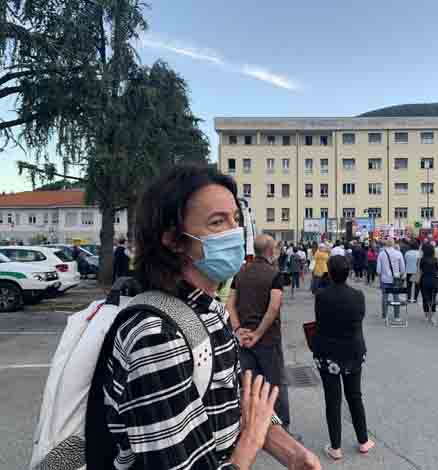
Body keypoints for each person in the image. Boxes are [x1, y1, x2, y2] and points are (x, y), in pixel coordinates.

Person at [104, 165, 319, 470]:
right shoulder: (158, 337)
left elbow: (236, 402)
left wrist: (293, 454)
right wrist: (250, 442)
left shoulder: (210, 309)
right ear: (174, 239)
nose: (235, 232)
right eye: (218, 222)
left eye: (236, 219)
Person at [228, 235, 293, 430]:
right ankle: (281, 430)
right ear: (270, 251)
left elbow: (229, 304)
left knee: (251, 386)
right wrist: (258, 334)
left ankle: (256, 428)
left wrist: (238, 330)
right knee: (276, 385)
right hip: (267, 340)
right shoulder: (274, 274)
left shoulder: (240, 273)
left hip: (244, 340)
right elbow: (273, 307)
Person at [313, 255, 375, 460]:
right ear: (348, 273)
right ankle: (363, 440)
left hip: (328, 353)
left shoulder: (321, 296)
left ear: (329, 273)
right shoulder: (358, 295)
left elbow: (320, 321)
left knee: (333, 399)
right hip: (353, 351)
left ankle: (335, 447)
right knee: (355, 396)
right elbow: (359, 319)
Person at [376, 239, 406, 319]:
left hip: (385, 279)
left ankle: (384, 315)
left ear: (386, 244)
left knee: (384, 297)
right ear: (393, 244)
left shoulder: (381, 254)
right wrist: (400, 274)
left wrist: (380, 277)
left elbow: (378, 270)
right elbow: (403, 268)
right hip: (396, 279)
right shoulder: (398, 253)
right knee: (396, 297)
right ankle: (397, 316)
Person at [419, 243, 438, 323]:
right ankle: (433, 315)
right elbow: (437, 269)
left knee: (425, 298)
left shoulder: (422, 259)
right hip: (434, 280)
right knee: (433, 298)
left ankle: (426, 315)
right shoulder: (435, 259)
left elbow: (420, 269)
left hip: (424, 279)